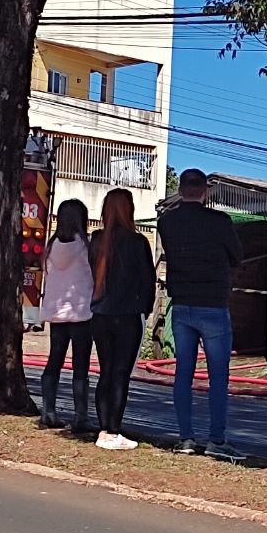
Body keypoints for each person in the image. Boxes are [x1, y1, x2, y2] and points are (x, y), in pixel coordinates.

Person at [157, 168, 245, 458]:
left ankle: (185, 438)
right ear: (205, 191)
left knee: (184, 372)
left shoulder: (167, 222)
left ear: (180, 190)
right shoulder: (220, 222)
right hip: (213, 303)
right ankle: (216, 440)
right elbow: (236, 256)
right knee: (218, 375)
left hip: (182, 302)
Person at [88, 188, 154, 451]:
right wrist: (145, 310)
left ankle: (104, 429)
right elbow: (148, 281)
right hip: (127, 316)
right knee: (120, 374)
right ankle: (113, 430)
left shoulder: (97, 240)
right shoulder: (137, 243)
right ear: (130, 210)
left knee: (106, 371)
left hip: (100, 315)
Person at [38, 199, 94, 433]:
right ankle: (81, 417)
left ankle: (48, 411)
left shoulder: (51, 247)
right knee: (80, 366)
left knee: (54, 361)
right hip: (82, 314)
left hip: (57, 314)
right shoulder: (85, 248)